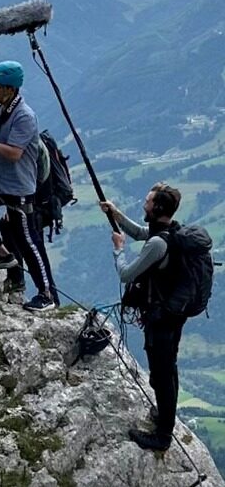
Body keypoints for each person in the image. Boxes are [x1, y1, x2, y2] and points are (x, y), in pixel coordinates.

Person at [0, 61, 56, 312]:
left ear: (11, 89)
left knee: (28, 241)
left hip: (18, 188)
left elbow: (14, 153)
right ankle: (4, 253)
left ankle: (46, 295)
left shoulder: (24, 116)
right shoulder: (1, 111)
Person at [100, 183, 185, 451]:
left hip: (160, 317)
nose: (144, 205)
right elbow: (139, 232)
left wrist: (118, 249)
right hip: (173, 314)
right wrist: (115, 214)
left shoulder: (159, 243)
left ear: (157, 208)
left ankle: (162, 437)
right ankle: (164, 416)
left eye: (148, 202)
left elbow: (127, 274)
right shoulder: (170, 231)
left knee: (161, 375)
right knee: (168, 369)